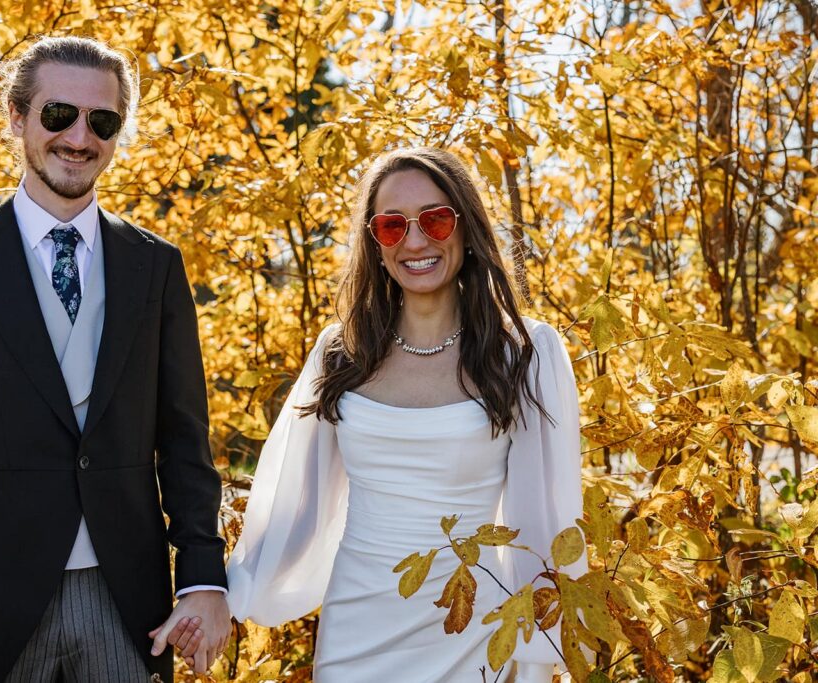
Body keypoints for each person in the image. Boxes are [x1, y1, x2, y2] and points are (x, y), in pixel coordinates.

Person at [171, 147, 585, 681]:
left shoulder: (525, 353)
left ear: (466, 226)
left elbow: (542, 523)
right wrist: (220, 597)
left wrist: (539, 654)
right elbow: (296, 508)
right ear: (374, 240)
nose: (415, 241)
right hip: (356, 631)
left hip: (474, 630)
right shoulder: (342, 352)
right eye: (392, 226)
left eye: (435, 218)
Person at [0, 36, 230, 683]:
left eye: (101, 121)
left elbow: (187, 443)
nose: (79, 136)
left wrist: (203, 578)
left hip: (129, 603)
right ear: (17, 118)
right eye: (58, 115)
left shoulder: (156, 266)